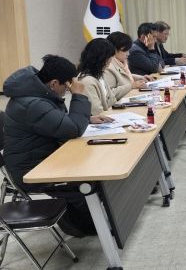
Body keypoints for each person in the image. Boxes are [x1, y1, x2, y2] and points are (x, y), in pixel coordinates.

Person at [2, 55, 110, 237]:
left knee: (94, 168)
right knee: (86, 182)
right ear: (53, 83)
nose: (67, 91)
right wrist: (79, 96)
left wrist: (87, 118)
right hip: (31, 169)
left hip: (44, 157)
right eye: (66, 87)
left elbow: (55, 121)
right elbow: (73, 130)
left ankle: (88, 222)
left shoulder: (36, 93)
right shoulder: (32, 104)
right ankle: (82, 226)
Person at [104, 32, 152, 100]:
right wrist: (132, 86)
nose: (128, 54)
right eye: (125, 51)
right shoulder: (108, 67)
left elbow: (124, 76)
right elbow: (110, 94)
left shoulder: (121, 63)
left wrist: (141, 77)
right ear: (114, 50)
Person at [78, 38, 118, 115]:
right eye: (109, 58)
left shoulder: (99, 74)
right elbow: (97, 112)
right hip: (102, 120)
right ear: (100, 59)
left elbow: (113, 101)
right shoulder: (87, 81)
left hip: (109, 117)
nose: (110, 61)